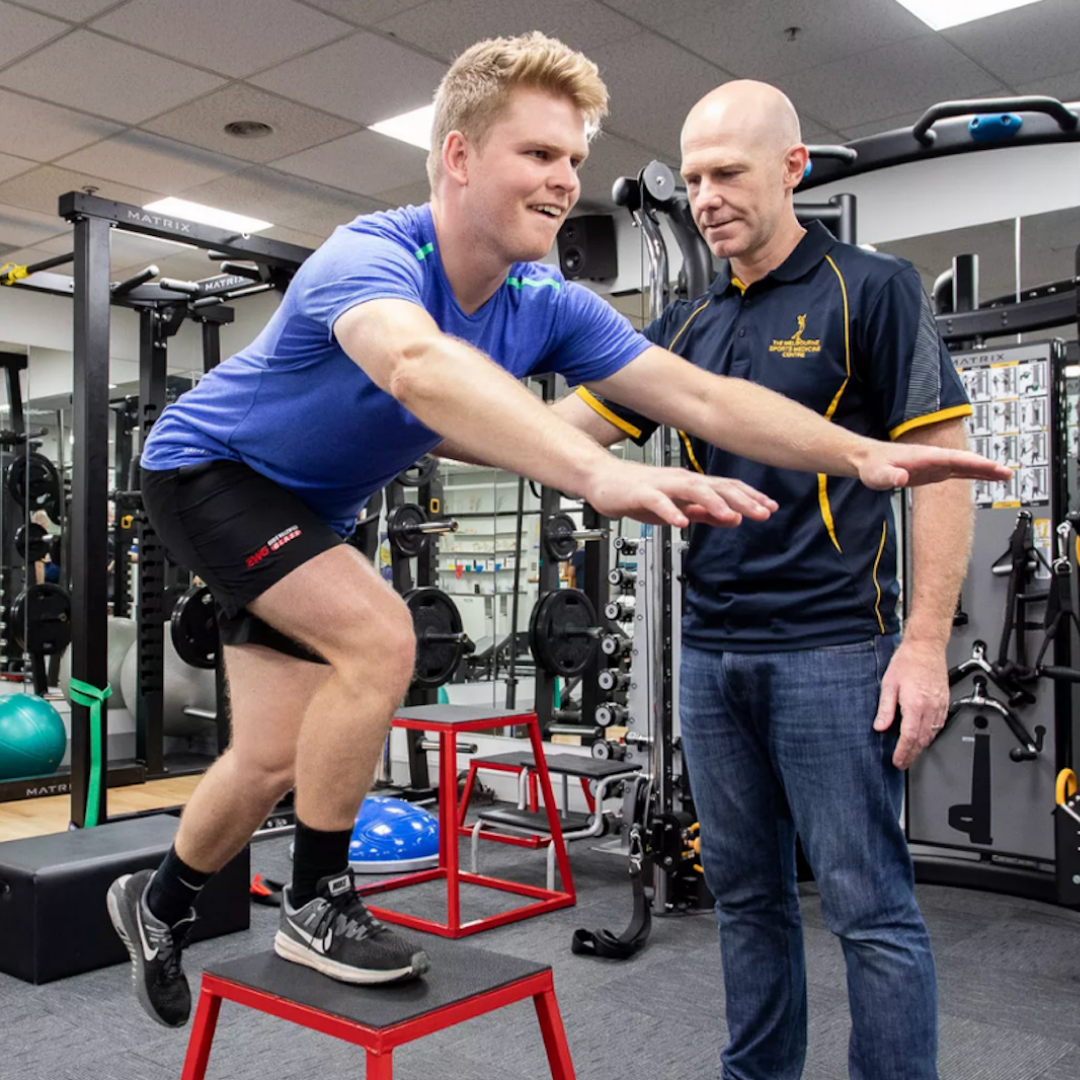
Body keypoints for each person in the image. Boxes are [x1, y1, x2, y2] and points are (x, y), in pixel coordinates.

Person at [107, 36, 1006, 1033]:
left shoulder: (548, 304)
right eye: (539, 155)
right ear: (458, 157)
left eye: (573, 159)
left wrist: (859, 455)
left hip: (319, 514)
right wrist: (596, 474)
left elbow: (698, 395)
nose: (564, 179)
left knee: (273, 757)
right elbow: (414, 369)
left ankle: (160, 902)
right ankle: (317, 903)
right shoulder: (371, 258)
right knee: (380, 637)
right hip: (211, 471)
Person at [565, 81, 972, 1080]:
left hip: (834, 649)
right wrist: (418, 402)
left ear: (792, 168)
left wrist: (923, 645)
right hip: (711, 656)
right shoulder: (682, 319)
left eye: (727, 174)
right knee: (743, 899)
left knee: (868, 906)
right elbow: (573, 433)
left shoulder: (872, 289)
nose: (704, 197)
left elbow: (944, 477)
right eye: (693, 177)